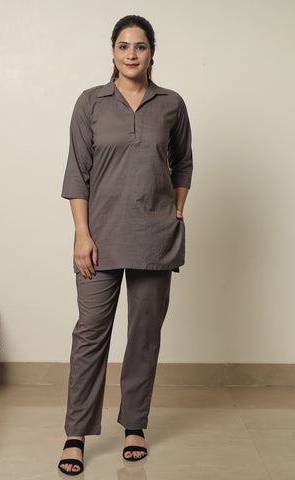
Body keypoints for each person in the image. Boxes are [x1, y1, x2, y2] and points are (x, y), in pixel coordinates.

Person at [58, 14, 193, 476]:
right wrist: (82, 234)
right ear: (112, 52)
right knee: (90, 335)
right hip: (100, 237)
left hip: (155, 237)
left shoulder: (171, 103)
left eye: (139, 46)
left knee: (143, 336)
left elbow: (183, 162)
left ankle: (135, 425)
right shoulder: (90, 103)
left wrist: (176, 207)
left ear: (152, 52)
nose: (131, 54)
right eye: (123, 46)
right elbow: (77, 172)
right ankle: (76, 433)